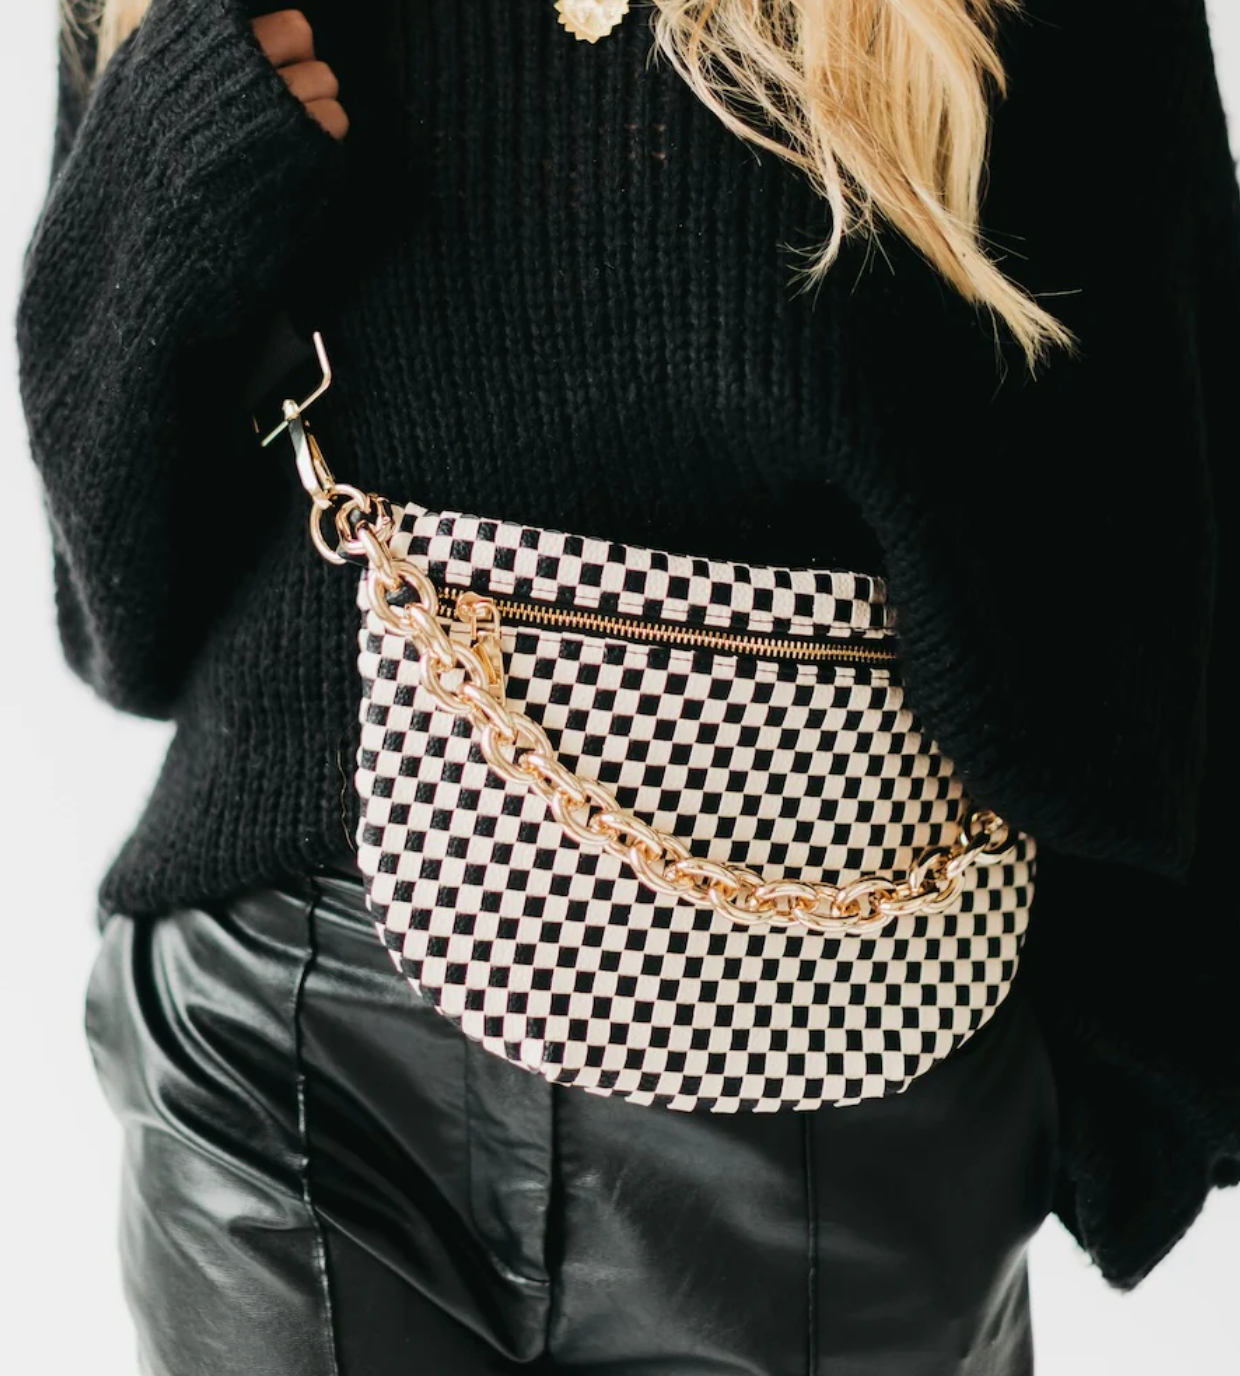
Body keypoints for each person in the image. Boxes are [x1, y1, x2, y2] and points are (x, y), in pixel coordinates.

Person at [14, 1, 1238, 1372]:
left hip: (838, 1054)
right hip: (292, 1044)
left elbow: (1159, 524)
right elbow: (118, 625)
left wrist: (1128, 1070)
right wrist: (176, 151)